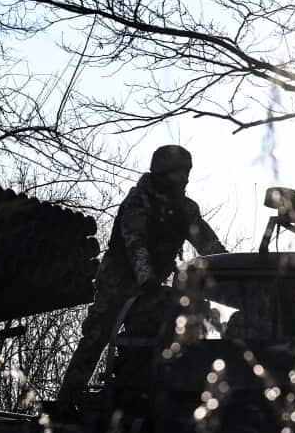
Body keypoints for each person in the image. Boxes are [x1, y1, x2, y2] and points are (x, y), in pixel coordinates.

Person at [58, 145, 226, 400]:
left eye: (186, 172)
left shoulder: (185, 209)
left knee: (161, 331)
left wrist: (229, 268)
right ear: (161, 173)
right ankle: (67, 399)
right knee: (97, 335)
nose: (184, 178)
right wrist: (146, 279)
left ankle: (143, 392)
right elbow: (134, 242)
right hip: (118, 282)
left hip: (150, 287)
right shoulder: (139, 201)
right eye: (177, 172)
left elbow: (209, 245)